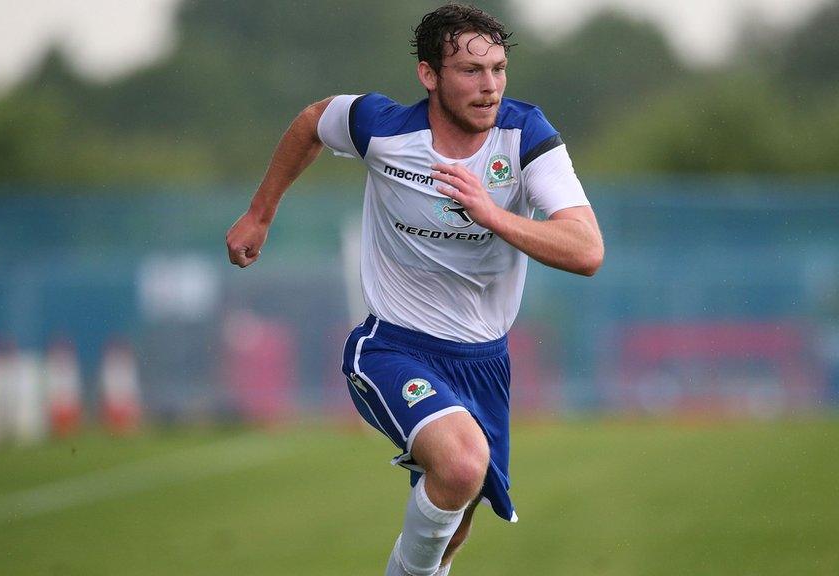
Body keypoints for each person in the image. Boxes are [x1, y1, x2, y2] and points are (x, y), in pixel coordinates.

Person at [226, 4, 603, 574]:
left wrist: (491, 213)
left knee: (454, 523)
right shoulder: (384, 129)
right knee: (458, 465)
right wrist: (260, 213)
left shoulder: (525, 135)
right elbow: (313, 120)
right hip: (392, 345)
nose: (490, 87)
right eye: (471, 72)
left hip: (485, 360)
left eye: (499, 69)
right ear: (429, 75)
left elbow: (586, 250)